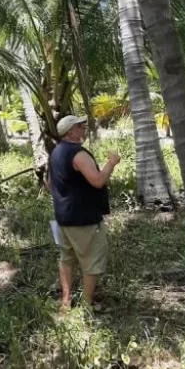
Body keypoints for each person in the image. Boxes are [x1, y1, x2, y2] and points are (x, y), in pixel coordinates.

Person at [48, 115, 120, 310]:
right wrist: (111, 163)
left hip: (63, 218)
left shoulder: (55, 152)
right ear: (71, 131)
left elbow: (49, 184)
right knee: (92, 261)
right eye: (80, 126)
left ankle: (65, 302)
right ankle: (86, 306)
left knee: (66, 259)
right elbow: (97, 180)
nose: (83, 128)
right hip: (83, 219)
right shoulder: (78, 154)